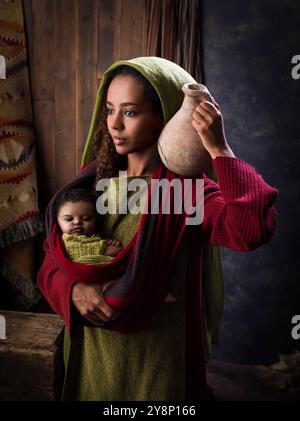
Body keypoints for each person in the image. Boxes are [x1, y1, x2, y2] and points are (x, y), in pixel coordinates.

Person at [37, 57, 278, 401]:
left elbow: (250, 229)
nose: (115, 124)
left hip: (158, 365)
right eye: (109, 109)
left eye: (131, 112)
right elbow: (50, 260)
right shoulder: (94, 181)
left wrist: (219, 150)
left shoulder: (187, 194)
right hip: (95, 359)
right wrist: (72, 289)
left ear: (163, 117)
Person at [55, 188, 122, 264]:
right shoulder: (64, 240)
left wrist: (104, 243)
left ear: (95, 220)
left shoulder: (96, 238)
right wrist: (104, 251)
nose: (77, 222)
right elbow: (75, 254)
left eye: (86, 219)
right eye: (69, 219)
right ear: (57, 221)